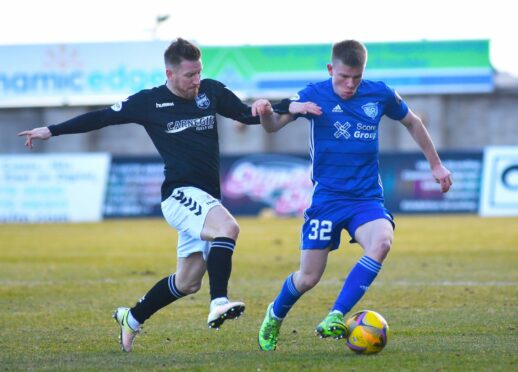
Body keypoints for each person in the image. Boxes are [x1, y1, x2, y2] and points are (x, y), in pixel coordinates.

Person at [18, 38, 259, 353]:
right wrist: (52, 130)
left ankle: (132, 317)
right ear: (170, 74)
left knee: (187, 283)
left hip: (206, 200)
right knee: (227, 229)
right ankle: (219, 302)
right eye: (189, 75)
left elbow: (248, 115)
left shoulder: (211, 92)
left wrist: (290, 109)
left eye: (199, 72)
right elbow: (102, 116)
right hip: (179, 196)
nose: (196, 80)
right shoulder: (150, 102)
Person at [251, 39, 453, 351]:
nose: (349, 84)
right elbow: (273, 126)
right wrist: (266, 111)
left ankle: (335, 315)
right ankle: (274, 315)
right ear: (331, 69)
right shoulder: (312, 93)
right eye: (343, 77)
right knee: (308, 277)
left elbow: (412, 122)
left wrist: (436, 165)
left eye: (356, 78)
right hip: (327, 201)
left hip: (365, 199)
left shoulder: (380, 93)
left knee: (382, 241)